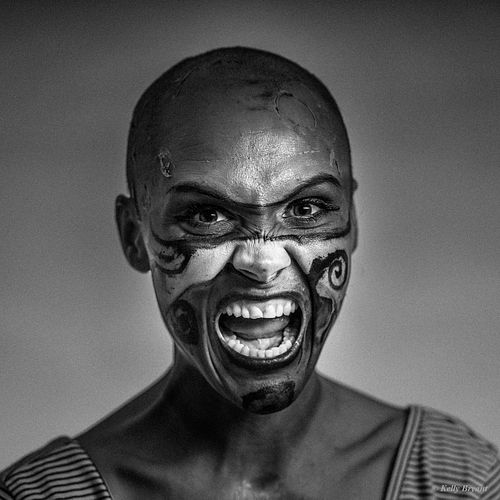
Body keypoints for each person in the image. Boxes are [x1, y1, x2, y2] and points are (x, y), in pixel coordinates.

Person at [1, 47, 499, 500]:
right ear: (135, 236)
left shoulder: (461, 483)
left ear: (353, 220)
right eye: (207, 216)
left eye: (306, 209)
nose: (263, 263)